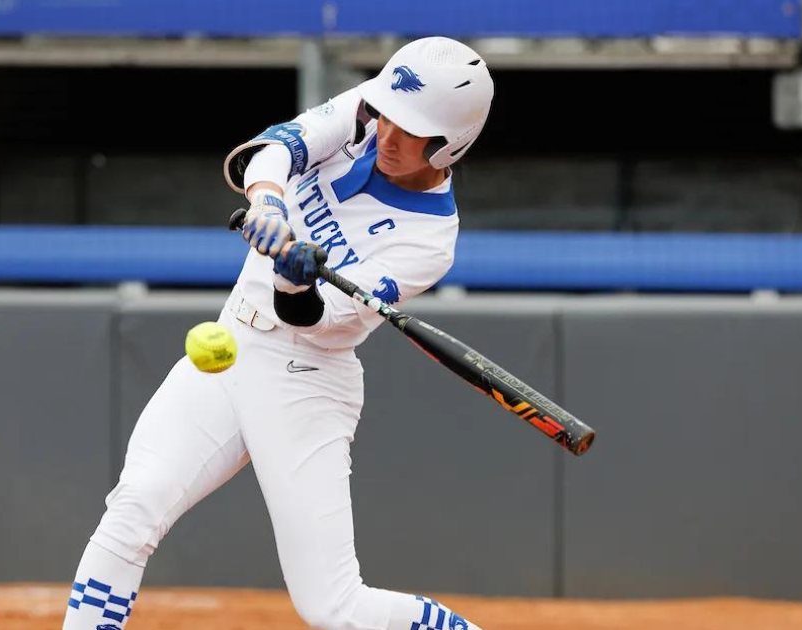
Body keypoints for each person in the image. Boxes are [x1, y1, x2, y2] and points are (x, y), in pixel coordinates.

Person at [62, 36, 494, 630]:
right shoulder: (364, 113)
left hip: (304, 381)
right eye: (386, 118)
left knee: (332, 607)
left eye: (409, 132)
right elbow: (276, 148)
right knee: (134, 508)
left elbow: (321, 321)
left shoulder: (429, 243)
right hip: (232, 342)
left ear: (450, 145)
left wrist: (295, 283)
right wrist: (268, 201)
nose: (387, 137)